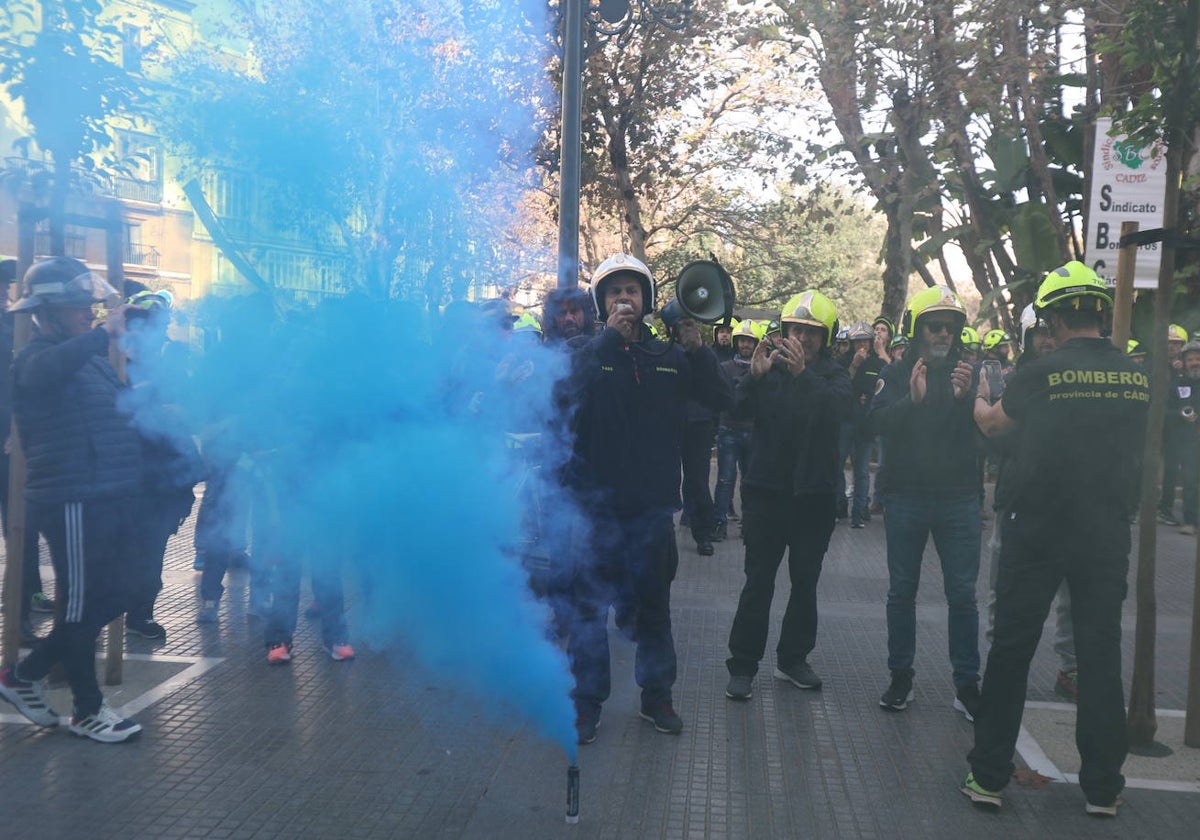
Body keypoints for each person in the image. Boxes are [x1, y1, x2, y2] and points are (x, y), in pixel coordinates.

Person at [963, 261, 1149, 816]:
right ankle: (1103, 789)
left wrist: (976, 398)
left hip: (1036, 528)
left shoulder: (1040, 374)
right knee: (1098, 655)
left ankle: (989, 778)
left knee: (1012, 652)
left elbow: (995, 426)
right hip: (1105, 532)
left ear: (1052, 319)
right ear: (1097, 311)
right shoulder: (1135, 375)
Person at [563, 253, 731, 743]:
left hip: (653, 512)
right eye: (614, 292)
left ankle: (656, 696)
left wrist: (698, 349)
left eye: (632, 291)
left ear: (647, 300)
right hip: (596, 512)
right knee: (590, 612)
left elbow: (725, 400)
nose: (624, 299)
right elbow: (562, 391)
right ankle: (587, 702)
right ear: (601, 302)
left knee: (655, 610)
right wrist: (610, 341)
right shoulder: (587, 352)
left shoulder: (672, 360)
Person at [0, 257, 143, 743]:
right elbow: (51, 370)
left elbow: (118, 414)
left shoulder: (91, 360)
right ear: (47, 311)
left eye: (90, 303)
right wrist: (103, 333)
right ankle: (87, 709)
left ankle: (25, 673)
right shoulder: (35, 358)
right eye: (78, 304)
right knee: (79, 609)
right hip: (71, 499)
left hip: (108, 495)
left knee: (130, 590)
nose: (89, 310)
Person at [724, 291, 850, 700]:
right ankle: (743, 665)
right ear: (783, 330)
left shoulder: (835, 377)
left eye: (812, 332)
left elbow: (838, 416)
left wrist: (802, 376)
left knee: (805, 582)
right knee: (757, 582)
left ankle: (793, 659)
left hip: (814, 499)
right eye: (796, 329)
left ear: (825, 337)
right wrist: (753, 377)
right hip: (766, 496)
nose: (803, 338)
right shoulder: (769, 371)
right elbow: (735, 412)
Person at [870, 285, 982, 719]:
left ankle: (967, 685)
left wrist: (964, 401)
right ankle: (901, 677)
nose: (943, 334)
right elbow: (873, 424)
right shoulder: (898, 374)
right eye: (934, 326)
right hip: (906, 498)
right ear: (917, 331)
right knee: (902, 592)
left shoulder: (967, 376)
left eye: (950, 327)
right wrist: (911, 402)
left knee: (963, 595)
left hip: (958, 499)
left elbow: (982, 439)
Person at [981, 304, 1078, 701]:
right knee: (1004, 588)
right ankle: (999, 664)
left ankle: (1071, 669)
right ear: (1025, 338)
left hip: (1072, 501)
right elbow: (998, 434)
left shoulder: (1077, 379)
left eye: (1052, 332)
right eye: (1039, 334)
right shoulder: (1017, 380)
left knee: (1073, 593)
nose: (1048, 341)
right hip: (1018, 497)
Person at [713, 319, 760, 542]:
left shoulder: (763, 370)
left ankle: (749, 524)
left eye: (750, 341)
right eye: (742, 340)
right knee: (725, 479)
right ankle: (719, 522)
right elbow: (724, 397)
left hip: (753, 430)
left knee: (750, 481)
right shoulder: (725, 368)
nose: (745, 345)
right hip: (729, 429)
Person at [841, 321, 885, 528]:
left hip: (866, 426)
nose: (862, 346)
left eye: (865, 341)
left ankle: (859, 514)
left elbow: (881, 388)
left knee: (862, 471)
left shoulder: (877, 363)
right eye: (857, 342)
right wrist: (854, 365)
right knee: (837, 466)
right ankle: (839, 508)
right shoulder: (843, 361)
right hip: (845, 422)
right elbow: (841, 388)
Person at [1164, 341, 1200, 535]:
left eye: (1198, 359)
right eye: (1191, 359)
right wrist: (1181, 414)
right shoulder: (1178, 385)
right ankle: (1191, 522)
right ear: (1184, 363)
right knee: (1190, 482)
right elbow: (1166, 410)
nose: (1195, 363)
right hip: (1188, 443)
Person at [1159, 324, 1191, 526]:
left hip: (1175, 426)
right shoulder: (1153, 364)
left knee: (1171, 468)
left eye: (1176, 343)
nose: (1172, 347)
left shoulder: (1187, 370)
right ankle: (1136, 506)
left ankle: (1165, 509)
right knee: (1144, 465)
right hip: (1153, 423)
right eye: (1168, 343)